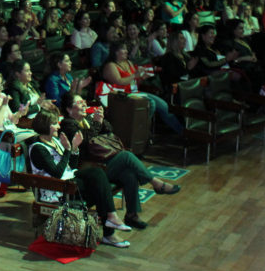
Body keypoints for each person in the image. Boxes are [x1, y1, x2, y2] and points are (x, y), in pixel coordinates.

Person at [60, 93, 178, 229]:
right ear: (69, 109)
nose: (84, 104)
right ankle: (155, 182)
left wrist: (101, 120)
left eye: (84, 101)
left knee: (129, 174)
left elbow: (109, 130)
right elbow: (85, 144)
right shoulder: (67, 125)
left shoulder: (86, 119)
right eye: (80, 103)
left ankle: (132, 215)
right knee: (126, 156)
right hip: (87, 169)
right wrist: (96, 124)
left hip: (102, 162)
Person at [27, 111, 130, 248]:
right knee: (98, 185)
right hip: (55, 189)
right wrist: (68, 151)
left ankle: (110, 223)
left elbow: (71, 167)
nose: (58, 126)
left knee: (97, 176)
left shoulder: (55, 141)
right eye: (54, 124)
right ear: (45, 126)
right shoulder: (38, 149)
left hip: (67, 184)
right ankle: (109, 231)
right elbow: (57, 173)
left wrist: (74, 148)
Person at [101, 43, 184, 135]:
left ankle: (182, 132)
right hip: (120, 96)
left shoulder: (128, 62)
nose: (126, 51)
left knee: (164, 106)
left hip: (134, 92)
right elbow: (119, 82)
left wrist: (141, 78)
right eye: (123, 49)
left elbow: (134, 82)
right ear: (116, 52)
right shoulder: (110, 66)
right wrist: (134, 75)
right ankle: (141, 131)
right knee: (150, 103)